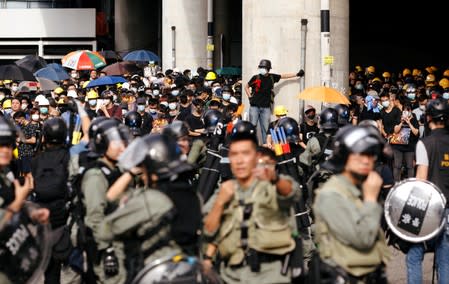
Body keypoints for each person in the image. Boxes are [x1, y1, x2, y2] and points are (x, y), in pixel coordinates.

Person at [203, 120, 301, 283]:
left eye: (245, 154)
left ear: (256, 156)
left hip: (271, 274)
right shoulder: (225, 190)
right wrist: (220, 203)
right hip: (232, 275)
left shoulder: (272, 185)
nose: (239, 160)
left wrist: (274, 179)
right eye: (234, 155)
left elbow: (292, 193)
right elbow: (208, 230)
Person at [311, 125, 390, 283]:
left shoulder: (360, 187)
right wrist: (370, 200)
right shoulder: (332, 194)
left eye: (371, 154)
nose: (366, 160)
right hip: (345, 277)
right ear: (344, 155)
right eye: (360, 154)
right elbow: (363, 238)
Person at [406, 97, 449, 284]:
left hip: (430, 208)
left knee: (414, 256)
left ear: (428, 117)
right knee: (445, 259)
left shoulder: (425, 143)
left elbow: (421, 181)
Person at [245, 59, 304, 144]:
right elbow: (246, 86)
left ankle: (266, 147)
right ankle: (253, 145)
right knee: (252, 127)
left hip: (266, 108)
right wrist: (250, 97)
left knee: (266, 129)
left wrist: (297, 74)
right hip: (254, 107)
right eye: (260, 67)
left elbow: (284, 76)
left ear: (268, 68)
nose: (261, 69)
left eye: (263, 67)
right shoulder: (255, 77)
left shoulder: (272, 77)